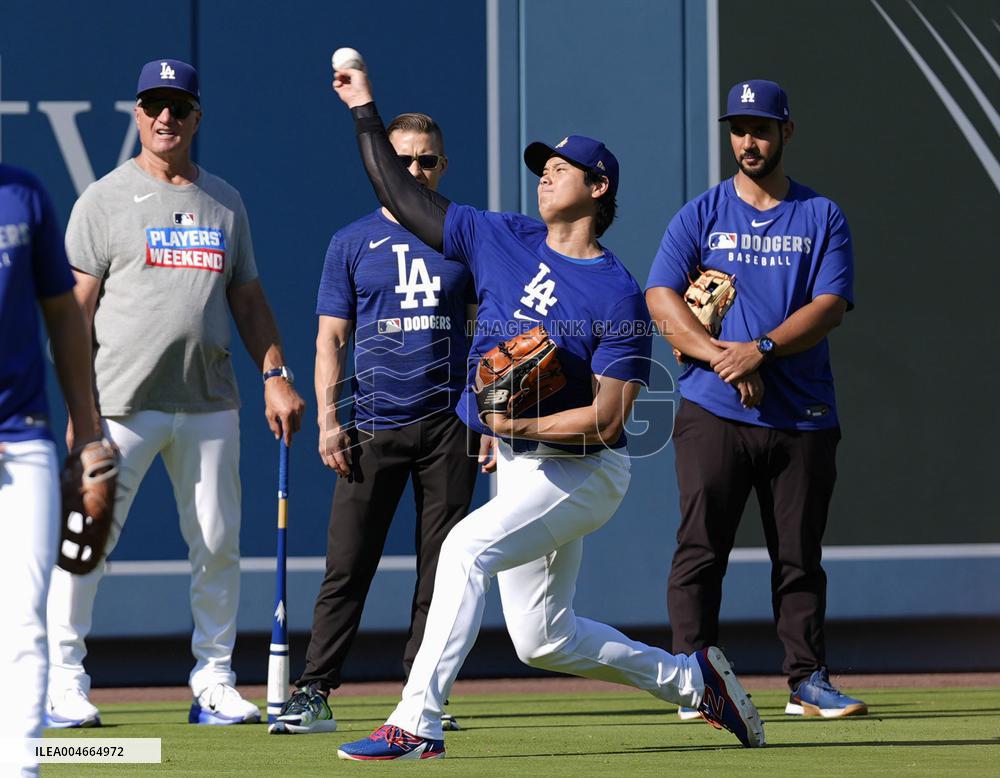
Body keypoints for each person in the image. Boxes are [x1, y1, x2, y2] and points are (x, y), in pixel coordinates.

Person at [327, 62, 765, 760]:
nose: (546, 175)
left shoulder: (617, 295)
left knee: (463, 549)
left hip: (583, 473)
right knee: (543, 639)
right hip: (523, 468)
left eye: (563, 168)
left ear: (598, 189)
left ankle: (417, 722)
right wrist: (364, 110)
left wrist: (515, 426)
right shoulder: (498, 234)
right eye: (543, 165)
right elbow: (401, 195)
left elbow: (609, 420)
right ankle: (693, 682)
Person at [44, 58, 305, 728]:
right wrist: (80, 410)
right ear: (137, 114)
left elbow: (248, 301)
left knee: (217, 542)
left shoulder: (224, 201)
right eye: (154, 105)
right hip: (118, 406)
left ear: (196, 117)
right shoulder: (103, 199)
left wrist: (275, 374)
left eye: (179, 107)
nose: (166, 118)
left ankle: (214, 679)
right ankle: (64, 681)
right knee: (87, 541)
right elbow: (74, 313)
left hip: (209, 402)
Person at [645, 79, 866, 719]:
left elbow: (828, 308)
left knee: (798, 554)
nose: (748, 140)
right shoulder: (702, 213)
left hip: (801, 414)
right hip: (714, 410)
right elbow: (662, 297)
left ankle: (807, 681)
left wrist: (760, 349)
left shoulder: (821, 215)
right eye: (739, 128)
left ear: (785, 133)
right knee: (700, 550)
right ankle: (695, 681)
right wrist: (723, 356)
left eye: (761, 128)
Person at [269, 112, 486, 735]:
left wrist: (490, 422)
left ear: (443, 166)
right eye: (404, 161)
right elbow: (330, 341)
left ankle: (424, 697)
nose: (416, 171)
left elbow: (487, 333)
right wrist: (330, 422)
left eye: (428, 161)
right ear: (382, 166)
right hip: (373, 424)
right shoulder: (350, 242)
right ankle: (315, 690)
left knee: (442, 572)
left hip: (451, 425)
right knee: (347, 564)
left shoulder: (463, 234)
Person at [0, 164, 103, 776]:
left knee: (23, 622)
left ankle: (18, 768)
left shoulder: (23, 194)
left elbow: (64, 315)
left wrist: (87, 429)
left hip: (23, 438)